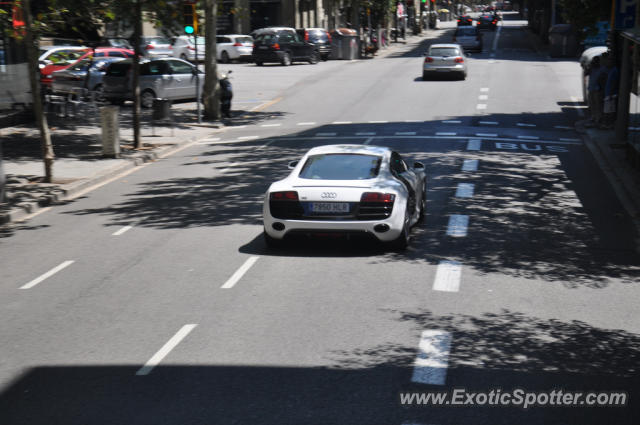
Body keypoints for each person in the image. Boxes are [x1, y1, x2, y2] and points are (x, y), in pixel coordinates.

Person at [586, 55, 604, 127]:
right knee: (591, 103)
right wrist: (589, 67)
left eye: (596, 62)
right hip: (591, 88)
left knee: (598, 104)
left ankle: (598, 117)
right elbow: (586, 73)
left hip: (597, 89)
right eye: (594, 62)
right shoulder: (591, 69)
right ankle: (593, 116)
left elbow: (603, 78)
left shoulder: (602, 69)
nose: (595, 63)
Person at [602, 54, 620, 129]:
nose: (608, 62)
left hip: (611, 94)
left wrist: (610, 94)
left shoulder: (614, 70)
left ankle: (609, 125)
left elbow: (614, 83)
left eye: (609, 60)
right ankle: (608, 124)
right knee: (607, 110)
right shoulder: (611, 70)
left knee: (610, 111)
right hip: (608, 93)